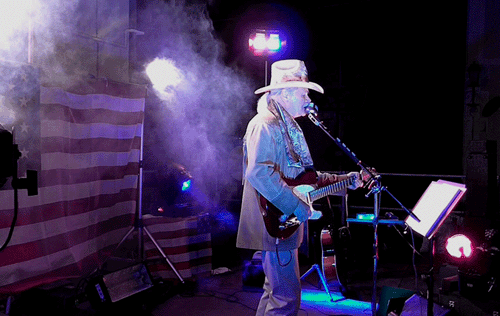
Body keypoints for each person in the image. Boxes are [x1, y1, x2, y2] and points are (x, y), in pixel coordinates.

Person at [236, 59, 365, 316]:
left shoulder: (288, 125)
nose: (307, 97)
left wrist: (347, 180)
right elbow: (259, 173)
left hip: (280, 221)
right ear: (285, 93)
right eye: (303, 91)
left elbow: (305, 177)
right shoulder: (265, 123)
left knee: (276, 293)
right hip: (274, 222)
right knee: (285, 299)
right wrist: (295, 206)